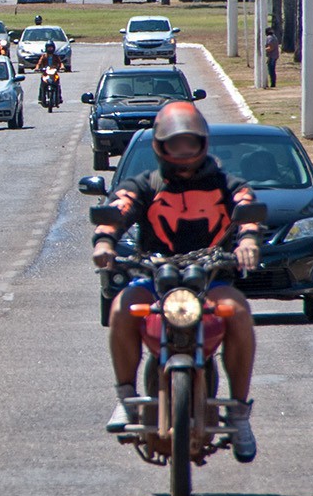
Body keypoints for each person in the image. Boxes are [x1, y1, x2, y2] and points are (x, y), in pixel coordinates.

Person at [91, 101, 263, 462]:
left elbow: (247, 208)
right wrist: (105, 241)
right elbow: (118, 208)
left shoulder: (226, 183)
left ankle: (239, 413)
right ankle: (125, 399)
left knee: (239, 312)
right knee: (122, 308)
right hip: (156, 279)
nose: (183, 153)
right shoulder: (145, 184)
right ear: (160, 146)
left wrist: (248, 240)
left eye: (190, 144)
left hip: (211, 279)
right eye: (175, 145)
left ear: (202, 143)